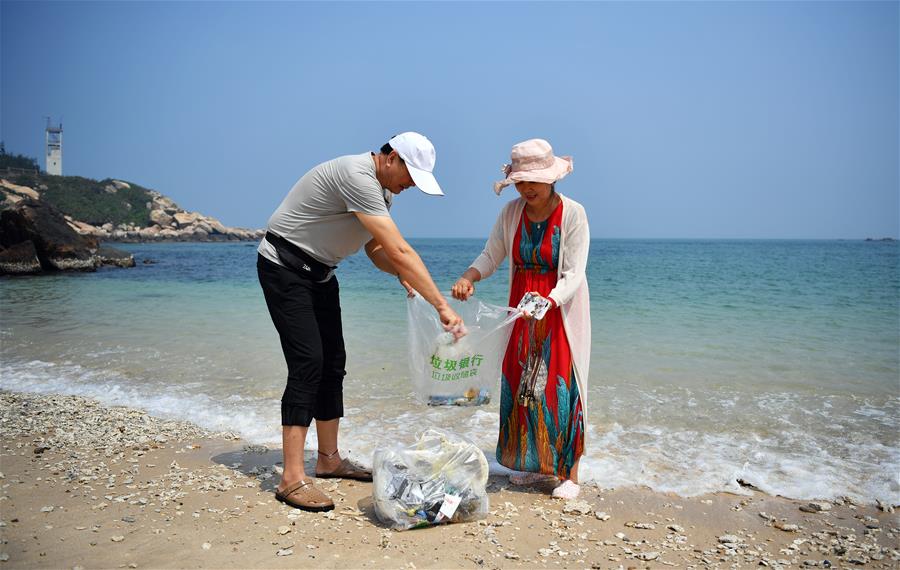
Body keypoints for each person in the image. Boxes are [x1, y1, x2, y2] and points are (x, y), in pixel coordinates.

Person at [258, 132, 464, 512]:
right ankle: (290, 478)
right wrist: (442, 306)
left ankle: (329, 460)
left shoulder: (382, 192)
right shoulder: (357, 175)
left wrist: (402, 276)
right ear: (392, 158)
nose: (410, 188)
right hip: (284, 267)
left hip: (319, 273)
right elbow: (400, 248)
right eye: (410, 177)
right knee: (308, 363)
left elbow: (376, 250)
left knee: (333, 363)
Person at [451, 138, 590, 499]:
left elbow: (574, 273)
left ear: (551, 179)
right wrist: (469, 276)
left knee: (561, 385)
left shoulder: (573, 213)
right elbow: (491, 254)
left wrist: (549, 301)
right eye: (521, 182)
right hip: (521, 311)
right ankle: (533, 465)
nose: (526, 188)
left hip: (559, 310)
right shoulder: (511, 213)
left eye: (534, 181)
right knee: (523, 384)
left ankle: (569, 473)